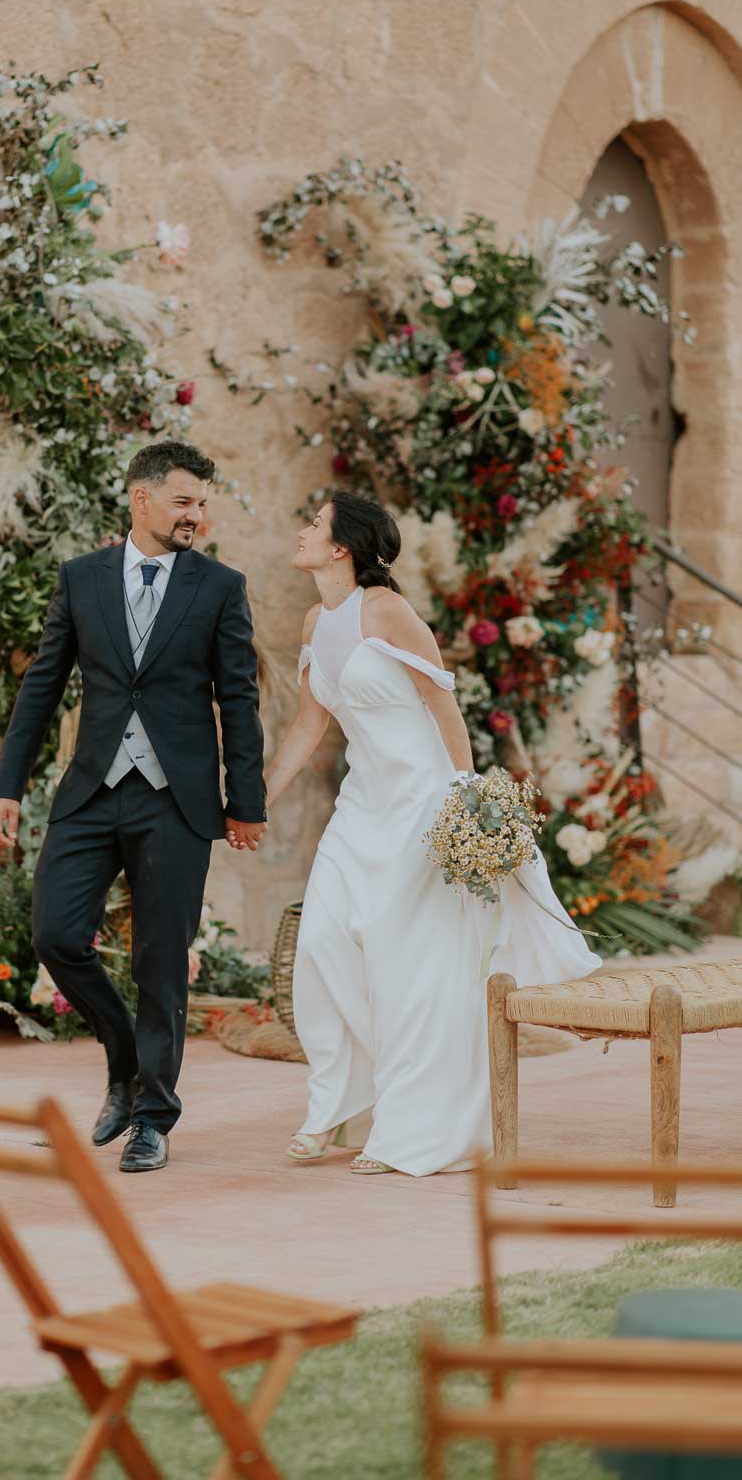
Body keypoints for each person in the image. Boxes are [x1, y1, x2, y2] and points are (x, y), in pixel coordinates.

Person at [265, 493, 599, 1177]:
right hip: (360, 807)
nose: (299, 531)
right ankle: (333, 1104)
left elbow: (440, 703)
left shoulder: (385, 611)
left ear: (341, 548)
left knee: (411, 972)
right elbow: (309, 723)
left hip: (422, 806)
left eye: (314, 525)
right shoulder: (312, 620)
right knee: (323, 945)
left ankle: (412, 1132)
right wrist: (250, 799)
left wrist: (462, 799)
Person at [0, 440, 267, 1173]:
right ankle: (122, 1054)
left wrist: (246, 800)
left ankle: (152, 1117)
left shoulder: (218, 587)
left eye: (203, 504)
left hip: (175, 799)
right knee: (55, 933)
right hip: (91, 790)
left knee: (160, 963)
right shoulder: (81, 580)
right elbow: (41, 687)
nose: (195, 517)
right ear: (140, 499)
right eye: (182, 501)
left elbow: (236, 698)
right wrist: (6, 787)